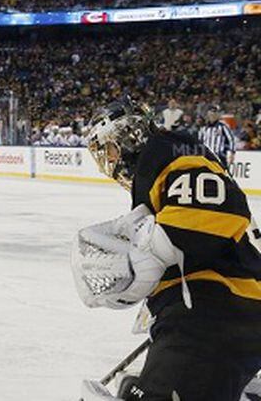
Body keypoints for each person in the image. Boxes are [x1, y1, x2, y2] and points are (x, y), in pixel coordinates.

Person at [73, 100, 261, 401]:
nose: (107, 159)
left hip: (214, 313)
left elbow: (221, 213)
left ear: (127, 136)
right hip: (212, 309)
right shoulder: (162, 161)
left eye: (108, 148)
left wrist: (149, 252)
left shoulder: (170, 151)